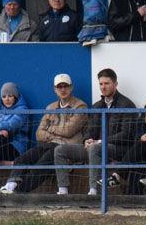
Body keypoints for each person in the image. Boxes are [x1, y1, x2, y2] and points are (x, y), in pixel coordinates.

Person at [0, 73, 88, 195]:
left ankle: (19, 192)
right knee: (22, 159)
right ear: (55, 89)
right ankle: (10, 186)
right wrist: (52, 135)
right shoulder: (50, 108)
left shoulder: (80, 106)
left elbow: (69, 131)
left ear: (71, 87)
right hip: (48, 144)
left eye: (65, 86)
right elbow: (39, 134)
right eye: (59, 87)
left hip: (66, 148)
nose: (63, 90)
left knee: (42, 164)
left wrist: (49, 129)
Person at [56, 68, 137, 199]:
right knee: (60, 150)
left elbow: (126, 134)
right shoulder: (97, 106)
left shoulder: (126, 105)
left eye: (107, 83)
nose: (103, 87)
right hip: (96, 147)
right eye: (101, 84)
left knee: (95, 149)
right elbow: (90, 130)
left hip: (118, 149)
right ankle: (63, 192)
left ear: (115, 84)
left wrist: (100, 142)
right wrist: (87, 140)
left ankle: (94, 192)